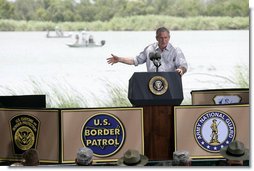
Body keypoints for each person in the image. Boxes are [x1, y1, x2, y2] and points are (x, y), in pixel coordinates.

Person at [107, 27, 188, 75]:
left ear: (169, 38)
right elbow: (135, 60)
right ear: (156, 38)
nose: (163, 40)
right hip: (152, 85)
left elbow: (183, 65)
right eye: (161, 38)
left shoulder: (176, 50)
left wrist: (180, 70)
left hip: (170, 84)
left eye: (166, 38)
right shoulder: (150, 49)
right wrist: (119, 59)